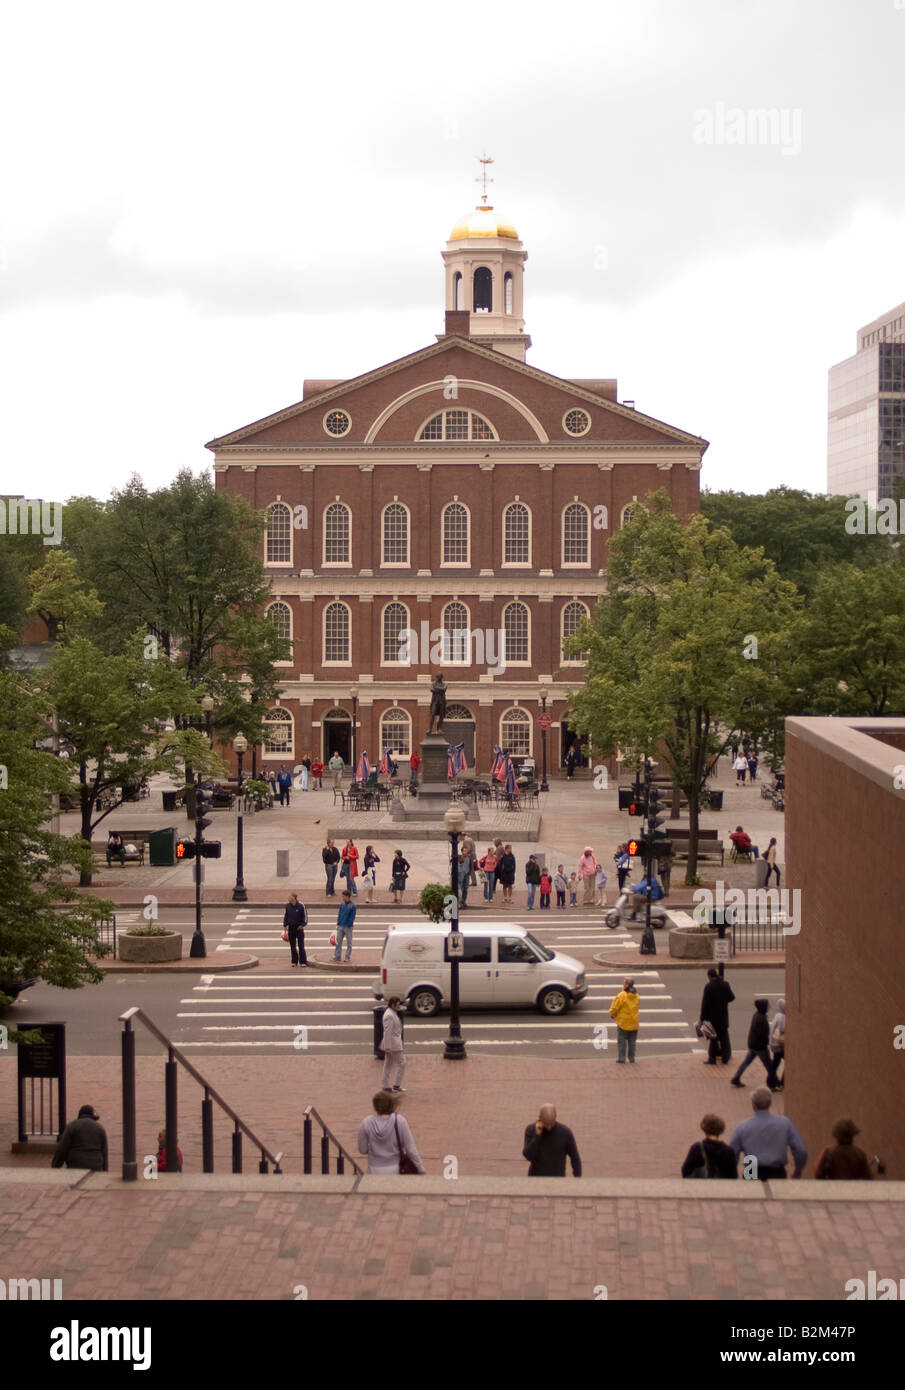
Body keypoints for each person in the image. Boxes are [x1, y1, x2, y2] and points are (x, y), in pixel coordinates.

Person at [730, 1088, 807, 1180]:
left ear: (753, 1105)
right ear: (770, 1103)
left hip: (751, 1168)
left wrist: (732, 1175)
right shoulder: (784, 1123)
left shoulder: (743, 1126)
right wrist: (797, 1171)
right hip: (777, 1171)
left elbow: (732, 1154)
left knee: (752, 1194)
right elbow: (800, 1150)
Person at [358, 1092, 425, 1175]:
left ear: (375, 1106)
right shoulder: (399, 1121)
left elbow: (363, 1150)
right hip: (395, 1167)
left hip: (374, 1168)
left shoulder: (366, 1122)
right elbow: (410, 1148)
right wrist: (420, 1167)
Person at [730, 998, 778, 1089]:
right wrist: (767, 1043)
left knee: (746, 1062)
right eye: (768, 1005)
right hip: (760, 1047)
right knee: (769, 1065)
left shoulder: (757, 1015)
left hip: (753, 1045)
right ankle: (774, 1082)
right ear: (763, 1007)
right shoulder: (762, 1018)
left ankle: (736, 1078)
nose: (769, 1006)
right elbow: (763, 1035)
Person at [522, 1104, 582, 1177]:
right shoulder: (531, 1130)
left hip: (558, 1180)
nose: (549, 1127)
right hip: (535, 1179)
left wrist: (578, 1180)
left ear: (556, 1117)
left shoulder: (565, 1133)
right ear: (540, 1117)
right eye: (546, 1124)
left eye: (551, 1123)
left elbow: (574, 1157)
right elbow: (528, 1156)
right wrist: (537, 1137)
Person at [51, 1105, 108, 1171]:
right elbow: (104, 1154)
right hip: (96, 1168)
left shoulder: (72, 1126)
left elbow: (62, 1149)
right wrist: (104, 1172)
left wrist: (55, 1166)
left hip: (75, 1166)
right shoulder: (100, 1128)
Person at [681, 1114, 738, 1179]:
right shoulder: (729, 1151)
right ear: (721, 1129)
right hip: (722, 1187)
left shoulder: (697, 1148)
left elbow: (685, 1171)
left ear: (704, 1128)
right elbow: (733, 1176)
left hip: (701, 1187)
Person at [699, 967, 735, 1064]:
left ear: (709, 976)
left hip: (713, 1018)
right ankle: (725, 1057)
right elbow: (732, 997)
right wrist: (724, 1002)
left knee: (713, 1039)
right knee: (724, 1038)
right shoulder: (725, 984)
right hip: (723, 1016)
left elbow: (704, 1005)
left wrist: (702, 1019)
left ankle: (712, 1058)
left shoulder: (708, 987)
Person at [609, 977, 640, 1064]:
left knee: (622, 1041)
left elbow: (615, 1007)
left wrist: (613, 1014)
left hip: (623, 1023)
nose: (623, 985)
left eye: (624, 983)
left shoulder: (622, 995)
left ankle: (621, 1059)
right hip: (634, 1022)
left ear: (626, 985)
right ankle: (632, 1058)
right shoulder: (636, 995)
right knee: (632, 1041)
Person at [380, 996, 407, 1092]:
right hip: (393, 1045)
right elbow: (388, 1032)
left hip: (392, 1044)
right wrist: (388, 1047)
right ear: (393, 1005)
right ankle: (396, 1085)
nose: (399, 1007)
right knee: (402, 1063)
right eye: (398, 1005)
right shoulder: (389, 1016)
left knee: (388, 1064)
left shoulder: (391, 1013)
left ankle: (386, 1085)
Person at [283, 891, 308, 967]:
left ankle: (303, 961)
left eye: (289, 897)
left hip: (299, 929)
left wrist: (302, 925)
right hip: (291, 928)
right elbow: (286, 916)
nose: (288, 898)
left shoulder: (301, 905)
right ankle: (294, 961)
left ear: (294, 898)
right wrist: (285, 925)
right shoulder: (287, 906)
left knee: (301, 946)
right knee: (292, 946)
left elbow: (305, 916)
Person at [334, 891, 357, 962]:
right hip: (341, 925)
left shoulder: (353, 906)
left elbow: (352, 917)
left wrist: (348, 924)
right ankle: (337, 957)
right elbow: (339, 914)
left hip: (348, 927)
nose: (342, 898)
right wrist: (338, 923)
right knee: (338, 942)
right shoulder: (342, 904)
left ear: (347, 896)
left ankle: (347, 957)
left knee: (349, 943)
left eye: (343, 896)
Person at [769, 995, 786, 1088]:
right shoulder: (782, 1017)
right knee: (776, 1064)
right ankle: (777, 1082)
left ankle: (774, 1081)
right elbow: (782, 1030)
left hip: (774, 1044)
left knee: (775, 1064)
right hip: (779, 1045)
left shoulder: (777, 1015)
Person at [458, 832, 475, 906]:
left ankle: (463, 901)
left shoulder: (466, 841)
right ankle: (461, 901)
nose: (460, 839)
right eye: (463, 851)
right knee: (462, 888)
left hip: (466, 874)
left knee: (465, 888)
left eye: (460, 837)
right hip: (462, 874)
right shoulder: (470, 839)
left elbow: (469, 849)